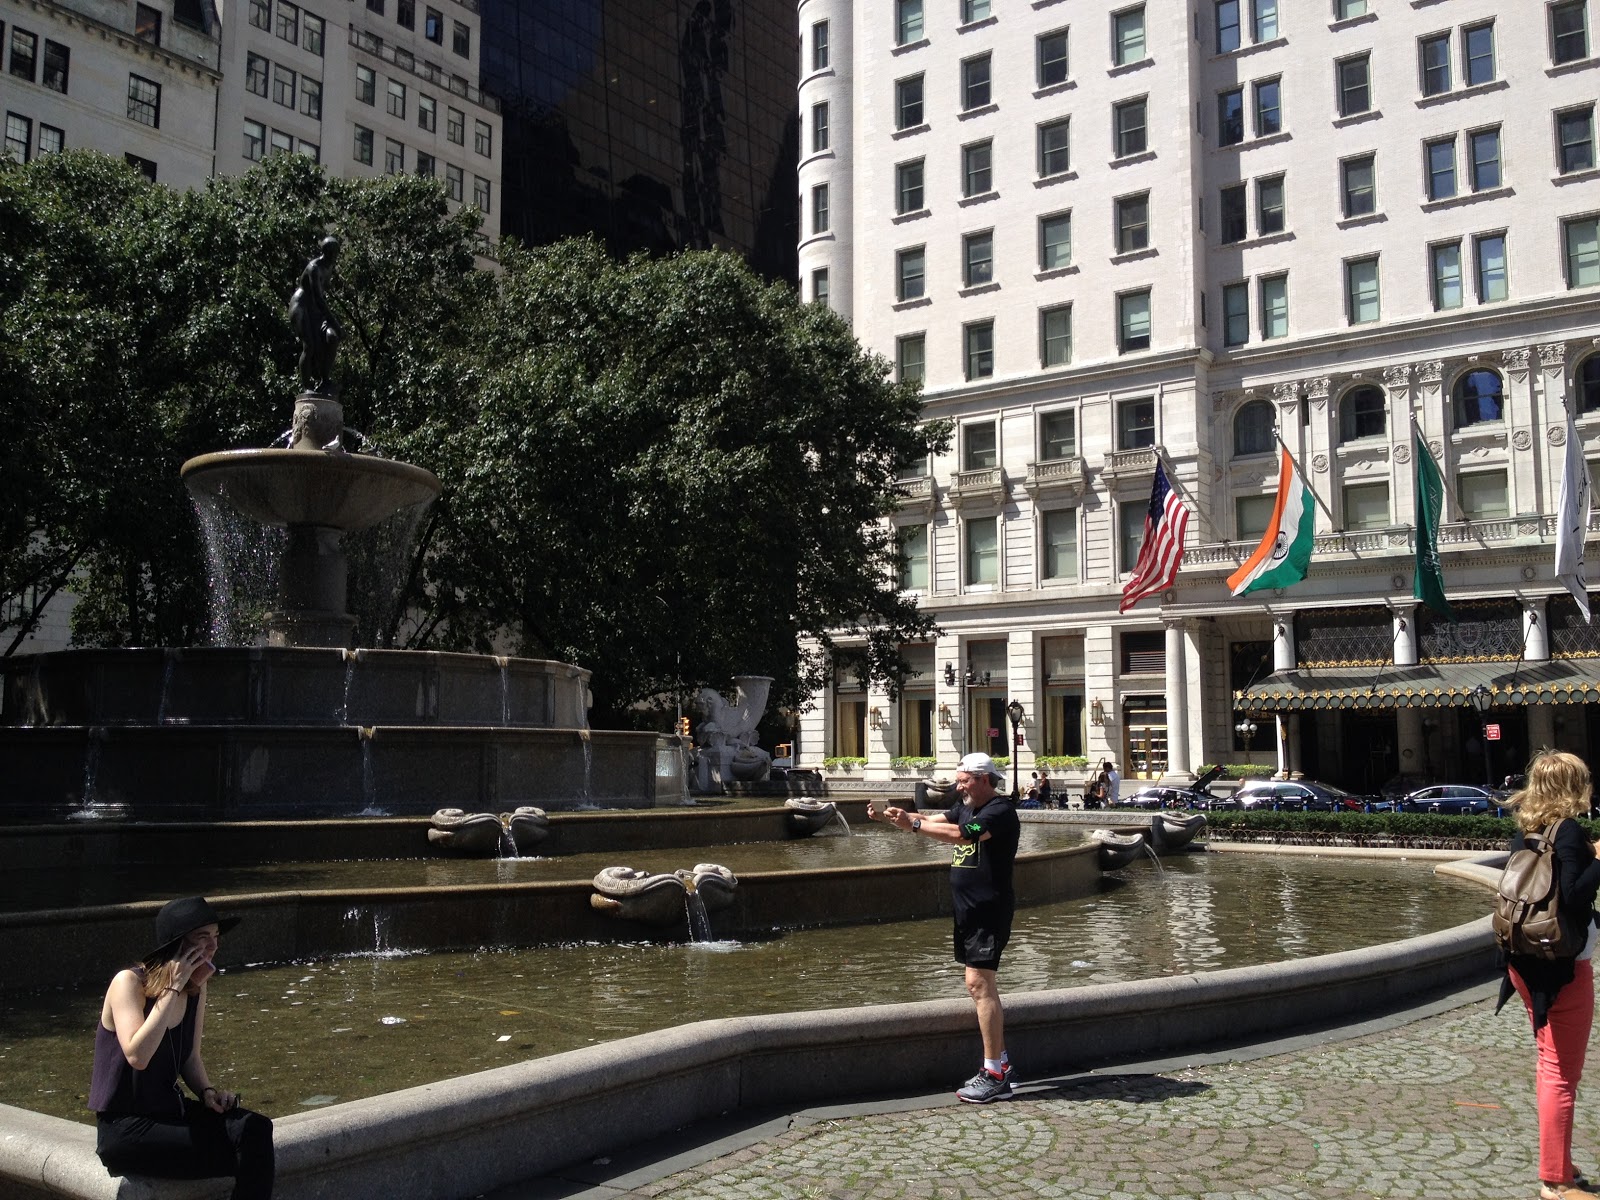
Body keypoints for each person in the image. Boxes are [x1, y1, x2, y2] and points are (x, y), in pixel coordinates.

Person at [90, 896, 275, 1198]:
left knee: (255, 1129)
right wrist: (172, 989)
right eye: (203, 939)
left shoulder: (196, 988)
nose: (213, 948)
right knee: (246, 1153)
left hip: (169, 1111)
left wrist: (208, 1092)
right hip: (127, 1127)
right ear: (177, 947)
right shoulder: (128, 983)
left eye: (216, 938)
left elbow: (189, 1056)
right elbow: (138, 1055)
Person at [865, 752, 1021, 1103]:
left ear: (983, 779)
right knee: (977, 984)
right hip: (967, 912)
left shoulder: (999, 812)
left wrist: (914, 825)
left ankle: (994, 1074)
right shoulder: (964, 805)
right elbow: (929, 818)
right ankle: (1004, 1065)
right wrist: (895, 819)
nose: (958, 785)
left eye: (963, 780)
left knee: (979, 984)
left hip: (989, 911)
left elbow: (962, 835)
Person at [1496, 752, 1600, 1200]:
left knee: (1549, 1064)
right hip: (1562, 969)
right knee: (1561, 1073)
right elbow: (1575, 898)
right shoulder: (1571, 833)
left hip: (1525, 962)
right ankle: (1555, 1180)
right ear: (1575, 786)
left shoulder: (1530, 833)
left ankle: (1560, 1163)